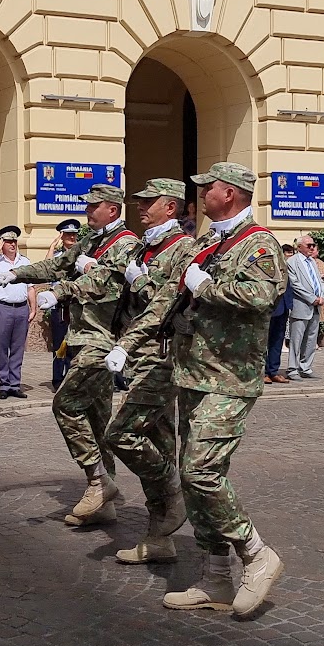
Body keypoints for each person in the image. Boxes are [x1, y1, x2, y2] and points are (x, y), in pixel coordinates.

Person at [161, 162, 285, 618]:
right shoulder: (211, 242)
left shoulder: (259, 244)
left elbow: (260, 298)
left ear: (229, 194)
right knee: (194, 482)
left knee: (200, 472)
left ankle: (255, 552)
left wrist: (206, 285)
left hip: (230, 378)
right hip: (193, 373)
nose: (201, 195)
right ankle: (214, 574)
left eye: (207, 188)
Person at [0, 184, 141, 526]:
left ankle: (97, 480)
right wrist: (18, 274)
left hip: (103, 340)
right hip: (81, 337)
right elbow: (58, 264)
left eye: (94, 207)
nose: (88, 212)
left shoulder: (126, 244)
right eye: (87, 206)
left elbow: (107, 285)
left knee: (64, 403)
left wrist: (61, 292)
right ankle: (104, 500)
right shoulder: (90, 239)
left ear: (113, 209)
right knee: (96, 420)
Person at [102, 178, 195, 563]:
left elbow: (165, 303)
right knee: (157, 441)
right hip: (140, 352)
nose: (139, 207)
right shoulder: (146, 244)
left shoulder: (183, 248)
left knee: (120, 433)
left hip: (163, 353)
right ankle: (160, 536)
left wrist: (140, 280)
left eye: (148, 201)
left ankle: (173, 491)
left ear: (170, 207)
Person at [0, 225, 34, 399]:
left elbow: (30, 287)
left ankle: (15, 383)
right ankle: (4, 384)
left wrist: (33, 307)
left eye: (14, 241)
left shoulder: (24, 262)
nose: (12, 244)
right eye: (8, 241)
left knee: (18, 348)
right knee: (2, 347)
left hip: (21, 308)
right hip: (3, 308)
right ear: (2, 243)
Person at [39, 219, 80, 391]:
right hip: (60, 307)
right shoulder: (57, 257)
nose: (71, 237)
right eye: (68, 235)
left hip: (77, 307)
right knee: (59, 345)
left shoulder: (81, 257)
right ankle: (57, 380)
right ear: (62, 237)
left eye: (74, 234)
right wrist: (51, 247)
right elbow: (47, 271)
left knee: (75, 346)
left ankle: (72, 379)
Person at [285, 235, 324, 378]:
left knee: (311, 338)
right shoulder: (292, 262)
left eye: (313, 245)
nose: (312, 248)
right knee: (296, 339)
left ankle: (306, 367)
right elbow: (295, 284)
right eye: (309, 245)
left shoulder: (313, 262)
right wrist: (312, 298)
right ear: (299, 247)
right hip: (301, 305)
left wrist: (321, 296)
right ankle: (292, 368)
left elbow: (319, 281)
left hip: (316, 305)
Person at [264, 247, 294, 384]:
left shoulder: (286, 267)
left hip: (283, 307)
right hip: (269, 308)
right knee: (265, 341)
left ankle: (273, 371)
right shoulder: (267, 265)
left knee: (277, 340)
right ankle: (263, 372)